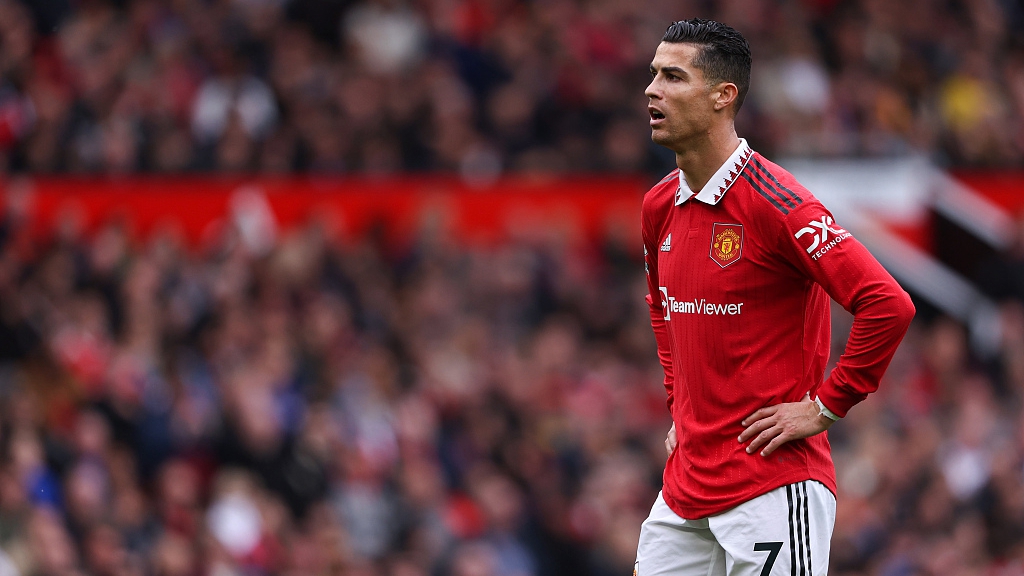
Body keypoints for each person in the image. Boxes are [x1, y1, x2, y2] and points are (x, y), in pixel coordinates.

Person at [636, 18, 915, 576]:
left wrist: (827, 406)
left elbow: (887, 303)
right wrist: (680, 404)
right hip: (686, 487)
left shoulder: (781, 204)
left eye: (672, 77)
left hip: (771, 486)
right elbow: (662, 309)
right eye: (653, 75)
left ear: (723, 96)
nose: (652, 90)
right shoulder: (658, 206)